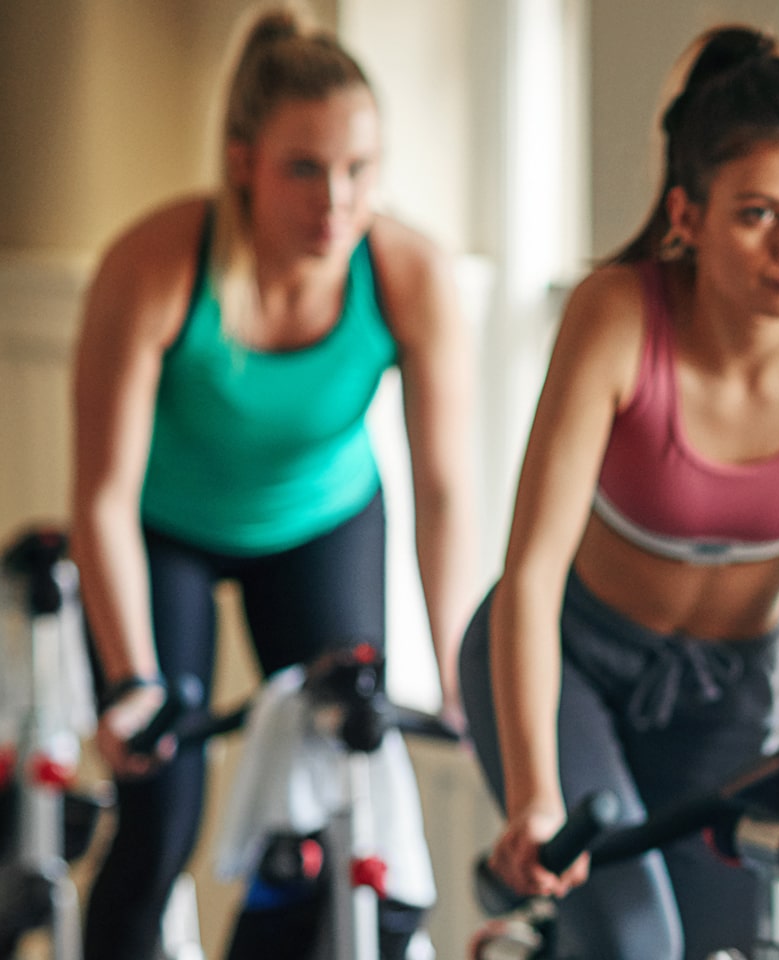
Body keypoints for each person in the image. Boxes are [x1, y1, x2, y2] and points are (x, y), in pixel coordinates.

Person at [460, 25, 779, 960]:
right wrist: (534, 795)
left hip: (727, 691)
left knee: (720, 949)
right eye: (758, 214)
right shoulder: (615, 313)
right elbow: (528, 576)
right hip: (569, 661)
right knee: (634, 938)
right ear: (686, 214)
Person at [69, 6, 475, 958]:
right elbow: (101, 496)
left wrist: (459, 668)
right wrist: (131, 677)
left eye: (359, 168)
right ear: (244, 160)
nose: (337, 199)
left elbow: (447, 488)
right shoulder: (159, 262)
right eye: (305, 167)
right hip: (165, 528)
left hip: (321, 520)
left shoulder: (408, 272)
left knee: (339, 808)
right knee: (160, 816)